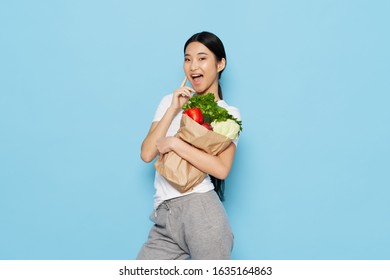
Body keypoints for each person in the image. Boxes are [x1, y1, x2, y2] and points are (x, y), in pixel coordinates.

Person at [137, 31, 241, 260]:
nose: (193, 66)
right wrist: (174, 108)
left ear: (220, 63)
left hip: (201, 211)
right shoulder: (169, 101)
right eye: (187, 59)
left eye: (202, 58)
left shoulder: (228, 115)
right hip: (164, 213)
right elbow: (146, 153)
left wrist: (175, 143)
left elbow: (221, 169)